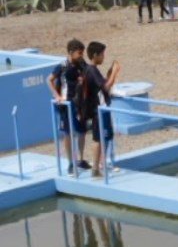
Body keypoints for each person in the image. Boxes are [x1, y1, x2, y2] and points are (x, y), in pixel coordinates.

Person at [47, 39, 89, 174]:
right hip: (66, 104)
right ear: (71, 52)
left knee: (82, 131)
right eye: (79, 53)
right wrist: (56, 96)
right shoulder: (63, 65)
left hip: (79, 104)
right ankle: (71, 162)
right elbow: (49, 79)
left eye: (82, 53)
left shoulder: (82, 64)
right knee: (68, 133)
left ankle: (81, 159)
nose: (82, 56)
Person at [83, 41, 122, 178]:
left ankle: (99, 166)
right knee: (99, 139)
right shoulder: (92, 70)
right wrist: (114, 73)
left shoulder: (90, 70)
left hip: (98, 109)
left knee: (101, 138)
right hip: (98, 110)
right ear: (95, 55)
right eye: (102, 54)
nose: (103, 57)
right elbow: (105, 87)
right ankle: (96, 168)